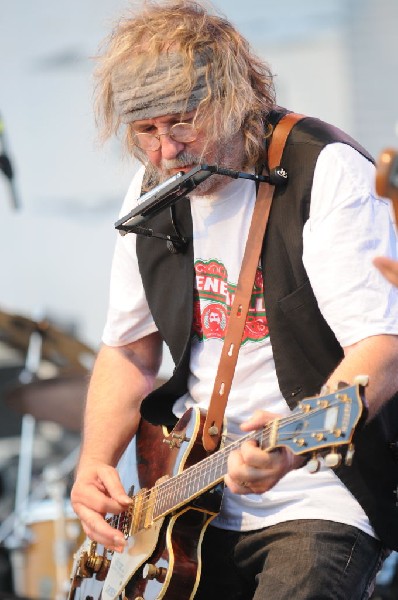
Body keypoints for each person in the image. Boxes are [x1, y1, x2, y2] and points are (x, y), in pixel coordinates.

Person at [70, 2, 398, 599]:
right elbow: (129, 351)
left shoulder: (324, 169)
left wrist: (295, 447)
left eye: (182, 123)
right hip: (187, 501)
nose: (166, 152)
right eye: (146, 131)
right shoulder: (152, 190)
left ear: (233, 98)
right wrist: (95, 459)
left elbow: (381, 349)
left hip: (321, 492)